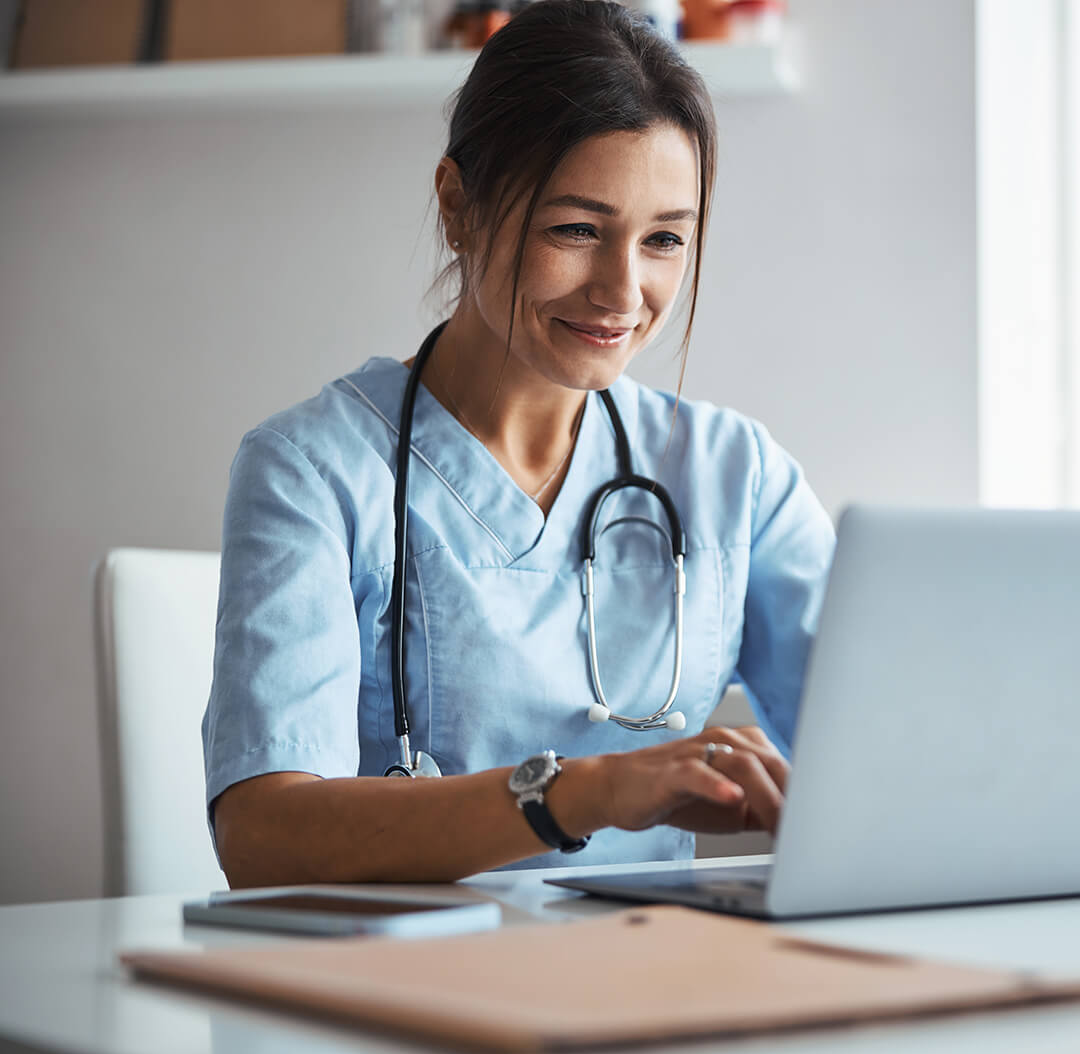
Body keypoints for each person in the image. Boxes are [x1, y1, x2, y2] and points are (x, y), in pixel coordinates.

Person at [203, 0, 835, 889]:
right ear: (459, 206)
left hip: (656, 986)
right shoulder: (312, 473)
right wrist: (582, 792)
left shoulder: (736, 476)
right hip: (407, 993)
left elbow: (896, 753)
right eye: (576, 229)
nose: (623, 290)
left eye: (663, 240)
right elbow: (263, 837)